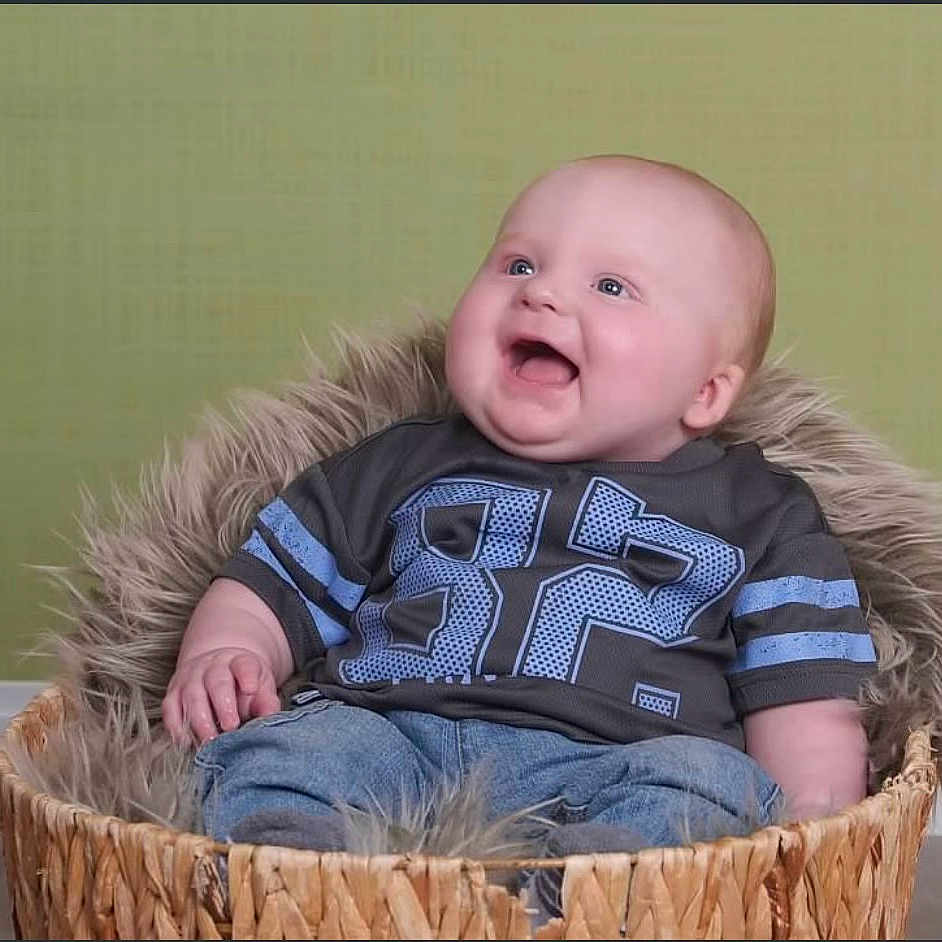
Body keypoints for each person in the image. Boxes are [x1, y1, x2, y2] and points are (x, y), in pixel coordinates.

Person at [162, 155, 876, 876]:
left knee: (712, 786)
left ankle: (587, 900)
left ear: (705, 392)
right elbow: (270, 584)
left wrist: (817, 830)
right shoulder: (401, 463)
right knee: (283, 752)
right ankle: (299, 885)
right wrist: (227, 651)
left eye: (611, 286)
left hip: (622, 761)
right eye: (518, 265)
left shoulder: (760, 513)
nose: (542, 293)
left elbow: (804, 697)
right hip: (388, 734)